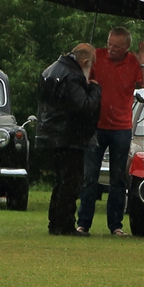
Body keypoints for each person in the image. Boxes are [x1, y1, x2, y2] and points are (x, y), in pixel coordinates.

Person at [78, 25, 144, 236]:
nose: (111, 49)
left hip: (121, 128)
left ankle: (116, 225)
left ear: (126, 47)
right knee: (89, 177)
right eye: (109, 44)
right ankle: (83, 223)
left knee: (118, 179)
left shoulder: (132, 62)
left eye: (116, 46)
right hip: (96, 125)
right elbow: (82, 82)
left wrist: (142, 62)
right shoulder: (98, 55)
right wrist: (86, 65)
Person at [37, 41, 102, 236]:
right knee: (71, 182)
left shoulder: (51, 70)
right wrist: (95, 90)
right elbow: (84, 107)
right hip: (69, 136)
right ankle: (64, 224)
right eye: (91, 64)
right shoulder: (73, 77)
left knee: (61, 181)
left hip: (50, 133)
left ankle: (55, 223)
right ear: (84, 61)